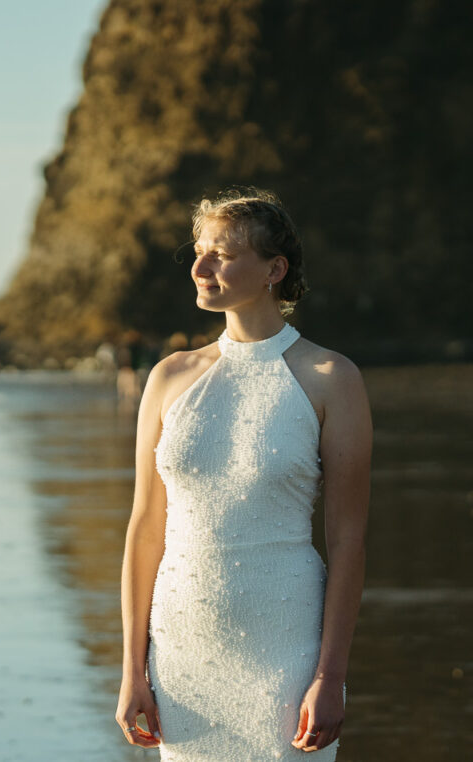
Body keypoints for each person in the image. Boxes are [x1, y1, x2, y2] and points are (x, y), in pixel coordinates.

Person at [117, 188, 372, 758]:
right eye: (198, 252)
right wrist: (133, 668)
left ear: (274, 270)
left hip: (286, 648)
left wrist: (331, 677)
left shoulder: (332, 377)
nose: (200, 267)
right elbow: (145, 529)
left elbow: (347, 540)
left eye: (222, 255)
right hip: (182, 652)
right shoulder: (168, 378)